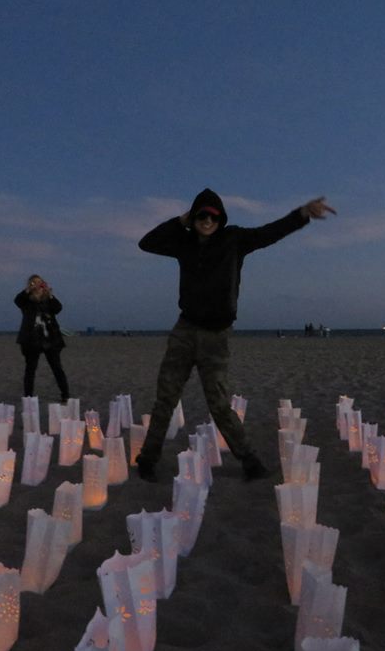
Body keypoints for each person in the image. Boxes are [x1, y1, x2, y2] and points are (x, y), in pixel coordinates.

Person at [135, 188, 336, 482]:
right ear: (193, 217)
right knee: (165, 399)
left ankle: (249, 460)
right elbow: (147, 243)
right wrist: (180, 221)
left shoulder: (234, 239)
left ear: (221, 219)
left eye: (213, 216)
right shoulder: (184, 242)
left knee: (218, 404)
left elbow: (270, 233)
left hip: (216, 337)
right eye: (201, 214)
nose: (207, 220)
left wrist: (302, 214)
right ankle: (147, 459)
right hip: (184, 331)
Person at [15, 274, 70, 401]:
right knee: (30, 370)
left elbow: (58, 308)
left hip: (50, 339)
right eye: (34, 282)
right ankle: (28, 397)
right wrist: (28, 289)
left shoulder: (48, 299)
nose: (37, 285)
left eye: (40, 282)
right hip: (31, 340)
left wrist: (49, 294)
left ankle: (65, 395)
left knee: (57, 368)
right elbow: (17, 301)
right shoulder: (26, 300)